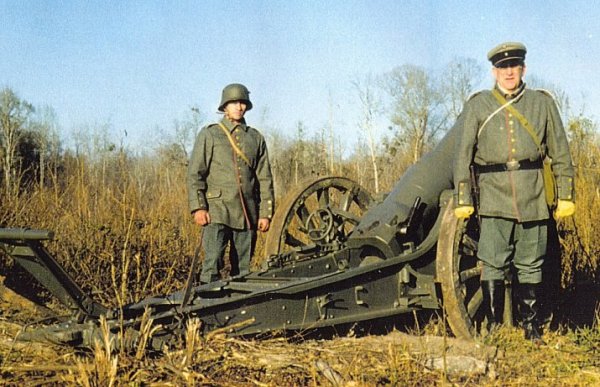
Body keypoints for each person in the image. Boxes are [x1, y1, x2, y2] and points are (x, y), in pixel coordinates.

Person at [453, 42, 575, 343]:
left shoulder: (542, 104)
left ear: (523, 68)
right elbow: (462, 156)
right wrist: (463, 197)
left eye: (514, 65)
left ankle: (531, 327)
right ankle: (496, 326)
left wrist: (566, 194)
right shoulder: (478, 105)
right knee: (493, 260)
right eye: (502, 67)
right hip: (493, 195)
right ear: (494, 71)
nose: (509, 72)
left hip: (532, 193)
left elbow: (560, 150)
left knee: (531, 261)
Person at [187, 83, 274, 284]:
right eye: (234, 102)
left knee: (242, 269)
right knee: (212, 263)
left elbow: (265, 178)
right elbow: (195, 173)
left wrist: (265, 213)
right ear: (225, 106)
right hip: (217, 210)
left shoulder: (255, 137)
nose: (239, 106)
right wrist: (198, 207)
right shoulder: (210, 134)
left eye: (243, 102)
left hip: (247, 212)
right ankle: (207, 308)